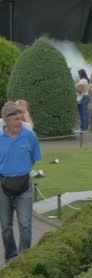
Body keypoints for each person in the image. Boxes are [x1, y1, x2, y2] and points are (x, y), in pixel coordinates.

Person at [0, 101, 42, 264]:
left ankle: (24, 258)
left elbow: (34, 159)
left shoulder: (29, 135)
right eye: (15, 119)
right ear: (6, 121)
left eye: (21, 118)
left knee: (25, 223)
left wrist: (21, 171)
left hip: (24, 185)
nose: (19, 122)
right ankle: (11, 258)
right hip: (3, 185)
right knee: (6, 226)